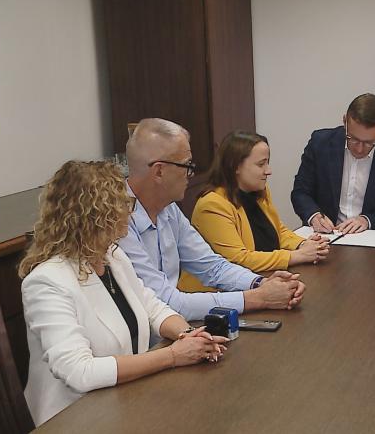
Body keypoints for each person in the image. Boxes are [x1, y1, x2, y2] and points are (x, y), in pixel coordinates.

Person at [19, 161, 228, 426]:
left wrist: (189, 336)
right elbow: (79, 372)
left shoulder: (112, 256)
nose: (131, 211)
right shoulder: (46, 282)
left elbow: (152, 307)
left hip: (125, 401)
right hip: (75, 419)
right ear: (98, 214)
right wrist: (173, 356)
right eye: (125, 203)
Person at [119, 118, 305, 321]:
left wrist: (260, 283)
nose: (191, 174)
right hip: (149, 334)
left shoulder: (168, 209)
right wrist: (259, 298)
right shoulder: (117, 222)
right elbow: (168, 302)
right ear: (159, 171)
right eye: (187, 165)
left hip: (176, 327)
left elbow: (212, 266)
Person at [178, 131, 329, 292]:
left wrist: (303, 244)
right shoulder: (212, 205)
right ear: (236, 166)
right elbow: (238, 259)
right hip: (216, 296)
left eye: (267, 163)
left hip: (259, 281)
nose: (268, 171)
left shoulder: (259, 191)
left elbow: (278, 231)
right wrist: (297, 256)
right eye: (261, 164)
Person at [291, 93, 375, 233]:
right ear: (345, 121)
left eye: (369, 143)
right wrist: (314, 216)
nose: (359, 149)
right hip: (325, 235)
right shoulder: (320, 143)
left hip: (369, 238)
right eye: (353, 139)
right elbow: (301, 192)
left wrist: (367, 221)